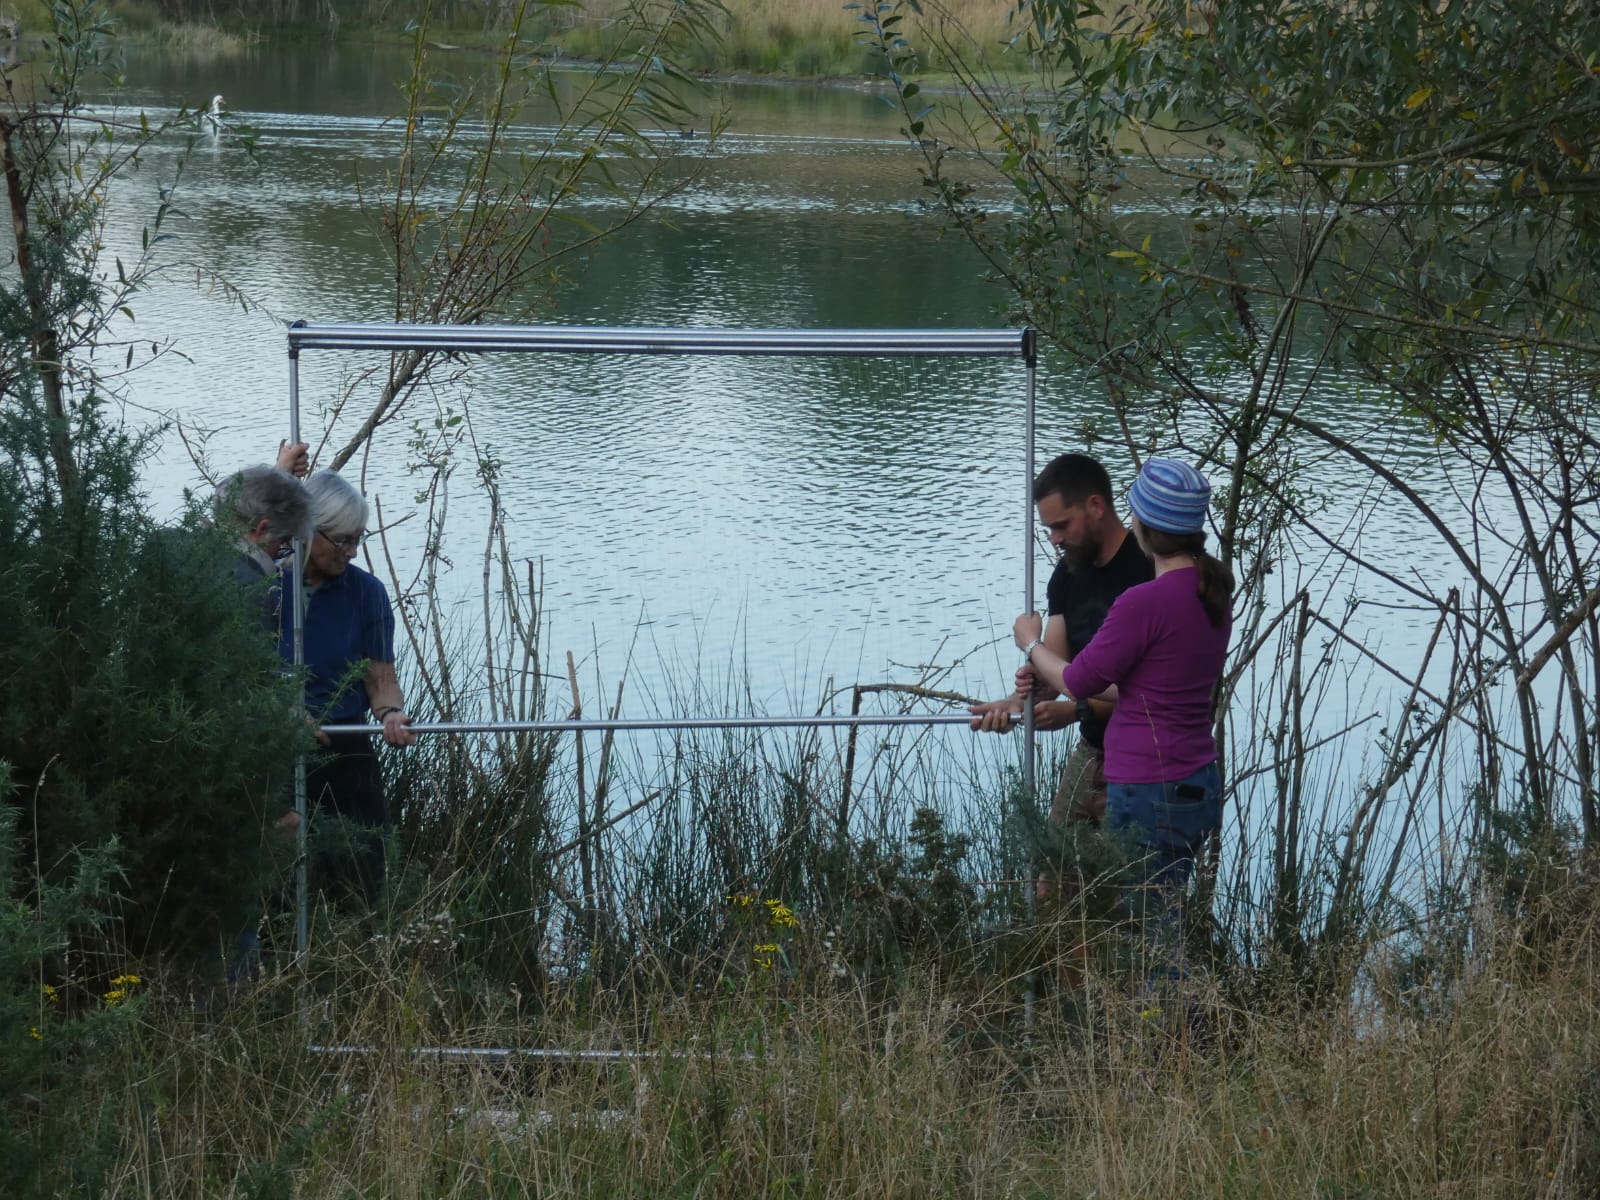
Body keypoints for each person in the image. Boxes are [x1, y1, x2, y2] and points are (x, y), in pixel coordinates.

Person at [1010, 458, 1233, 962]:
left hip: (1146, 783)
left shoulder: (1143, 601)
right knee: (1161, 922)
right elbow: (1145, 684)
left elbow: (1077, 679)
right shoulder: (1211, 592)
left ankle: (1160, 1034)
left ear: (1141, 523)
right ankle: (1174, 1027)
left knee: (1144, 935)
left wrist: (1029, 643)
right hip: (1194, 778)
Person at [970, 454, 1153, 829]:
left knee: (1131, 883)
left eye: (1061, 526)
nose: (1054, 539)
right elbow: (1055, 673)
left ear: (1096, 506)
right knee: (1052, 881)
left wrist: (1076, 710)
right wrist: (1015, 706)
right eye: (1049, 529)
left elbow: (1149, 688)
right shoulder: (1068, 573)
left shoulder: (1146, 570)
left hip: (1145, 758)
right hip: (1091, 752)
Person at [294, 470, 415, 910]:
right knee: (282, 875)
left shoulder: (367, 592)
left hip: (347, 748)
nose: (350, 551)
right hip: (276, 749)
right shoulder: (267, 587)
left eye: (357, 539)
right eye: (340, 539)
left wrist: (391, 715)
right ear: (307, 529)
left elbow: (380, 677)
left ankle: (362, 959)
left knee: (363, 872)